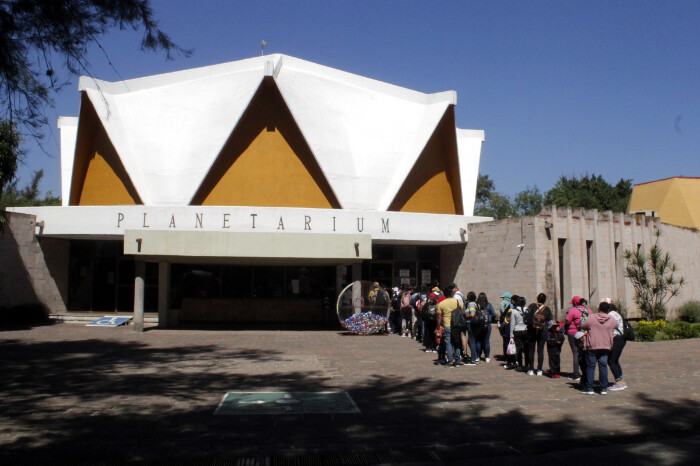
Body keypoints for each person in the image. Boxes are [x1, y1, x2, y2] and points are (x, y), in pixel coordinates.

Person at [581, 301, 618, 395]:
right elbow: (616, 326)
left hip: (592, 344)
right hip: (605, 345)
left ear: (599, 309)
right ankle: (603, 388)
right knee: (603, 366)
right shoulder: (612, 319)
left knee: (590, 366)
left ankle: (589, 387)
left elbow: (583, 326)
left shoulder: (592, 317)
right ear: (608, 310)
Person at [525, 293, 553, 376]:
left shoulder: (532, 306)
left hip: (531, 330)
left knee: (531, 349)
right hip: (542, 331)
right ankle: (539, 369)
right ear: (545, 300)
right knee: (540, 350)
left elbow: (526, 316)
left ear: (537, 299)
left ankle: (531, 369)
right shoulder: (547, 309)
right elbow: (550, 321)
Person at [436, 285, 463, 367]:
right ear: (451, 293)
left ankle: (450, 361)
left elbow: (439, 318)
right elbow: (462, 312)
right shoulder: (458, 301)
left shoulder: (441, 304)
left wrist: (438, 328)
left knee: (449, 343)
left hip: (447, 324)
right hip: (457, 325)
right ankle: (457, 361)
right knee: (457, 343)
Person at [605, 299, 628, 391]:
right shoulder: (617, 313)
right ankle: (621, 380)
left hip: (616, 338)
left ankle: (619, 382)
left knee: (611, 361)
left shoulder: (610, 315)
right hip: (621, 338)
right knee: (615, 360)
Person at [564, 296, 587, 383]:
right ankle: (585, 372)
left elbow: (568, 321)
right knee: (584, 352)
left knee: (575, 353)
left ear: (575, 303)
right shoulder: (588, 310)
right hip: (584, 333)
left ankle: (576, 374)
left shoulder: (573, 310)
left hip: (573, 333)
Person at [475, 292, 497, 362]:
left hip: (478, 325)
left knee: (478, 340)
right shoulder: (488, 305)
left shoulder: (476, 305)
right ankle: (487, 357)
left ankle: (478, 356)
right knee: (486, 341)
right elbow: (494, 314)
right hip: (487, 325)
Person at [508, 295, 527, 370]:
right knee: (526, 348)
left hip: (517, 331)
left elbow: (512, 324)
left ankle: (520, 365)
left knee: (518, 348)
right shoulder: (527, 310)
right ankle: (527, 364)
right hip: (525, 330)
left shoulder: (514, 311)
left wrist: (511, 335)